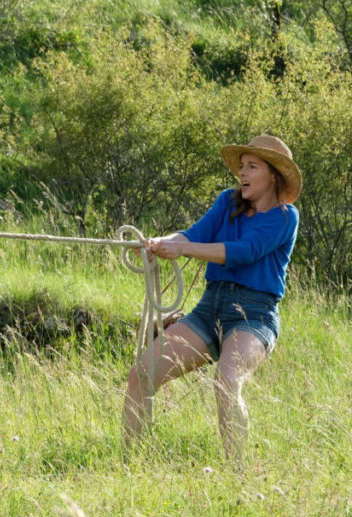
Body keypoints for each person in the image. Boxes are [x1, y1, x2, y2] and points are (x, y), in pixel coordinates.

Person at [123, 134, 301, 462]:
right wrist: (162, 242)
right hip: (209, 307)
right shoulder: (226, 201)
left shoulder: (285, 216)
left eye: (252, 167)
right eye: (241, 167)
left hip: (254, 314)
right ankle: (131, 463)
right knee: (143, 372)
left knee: (226, 379)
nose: (242, 174)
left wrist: (183, 248)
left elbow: (245, 252)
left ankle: (235, 473)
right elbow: (194, 234)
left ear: (273, 175)